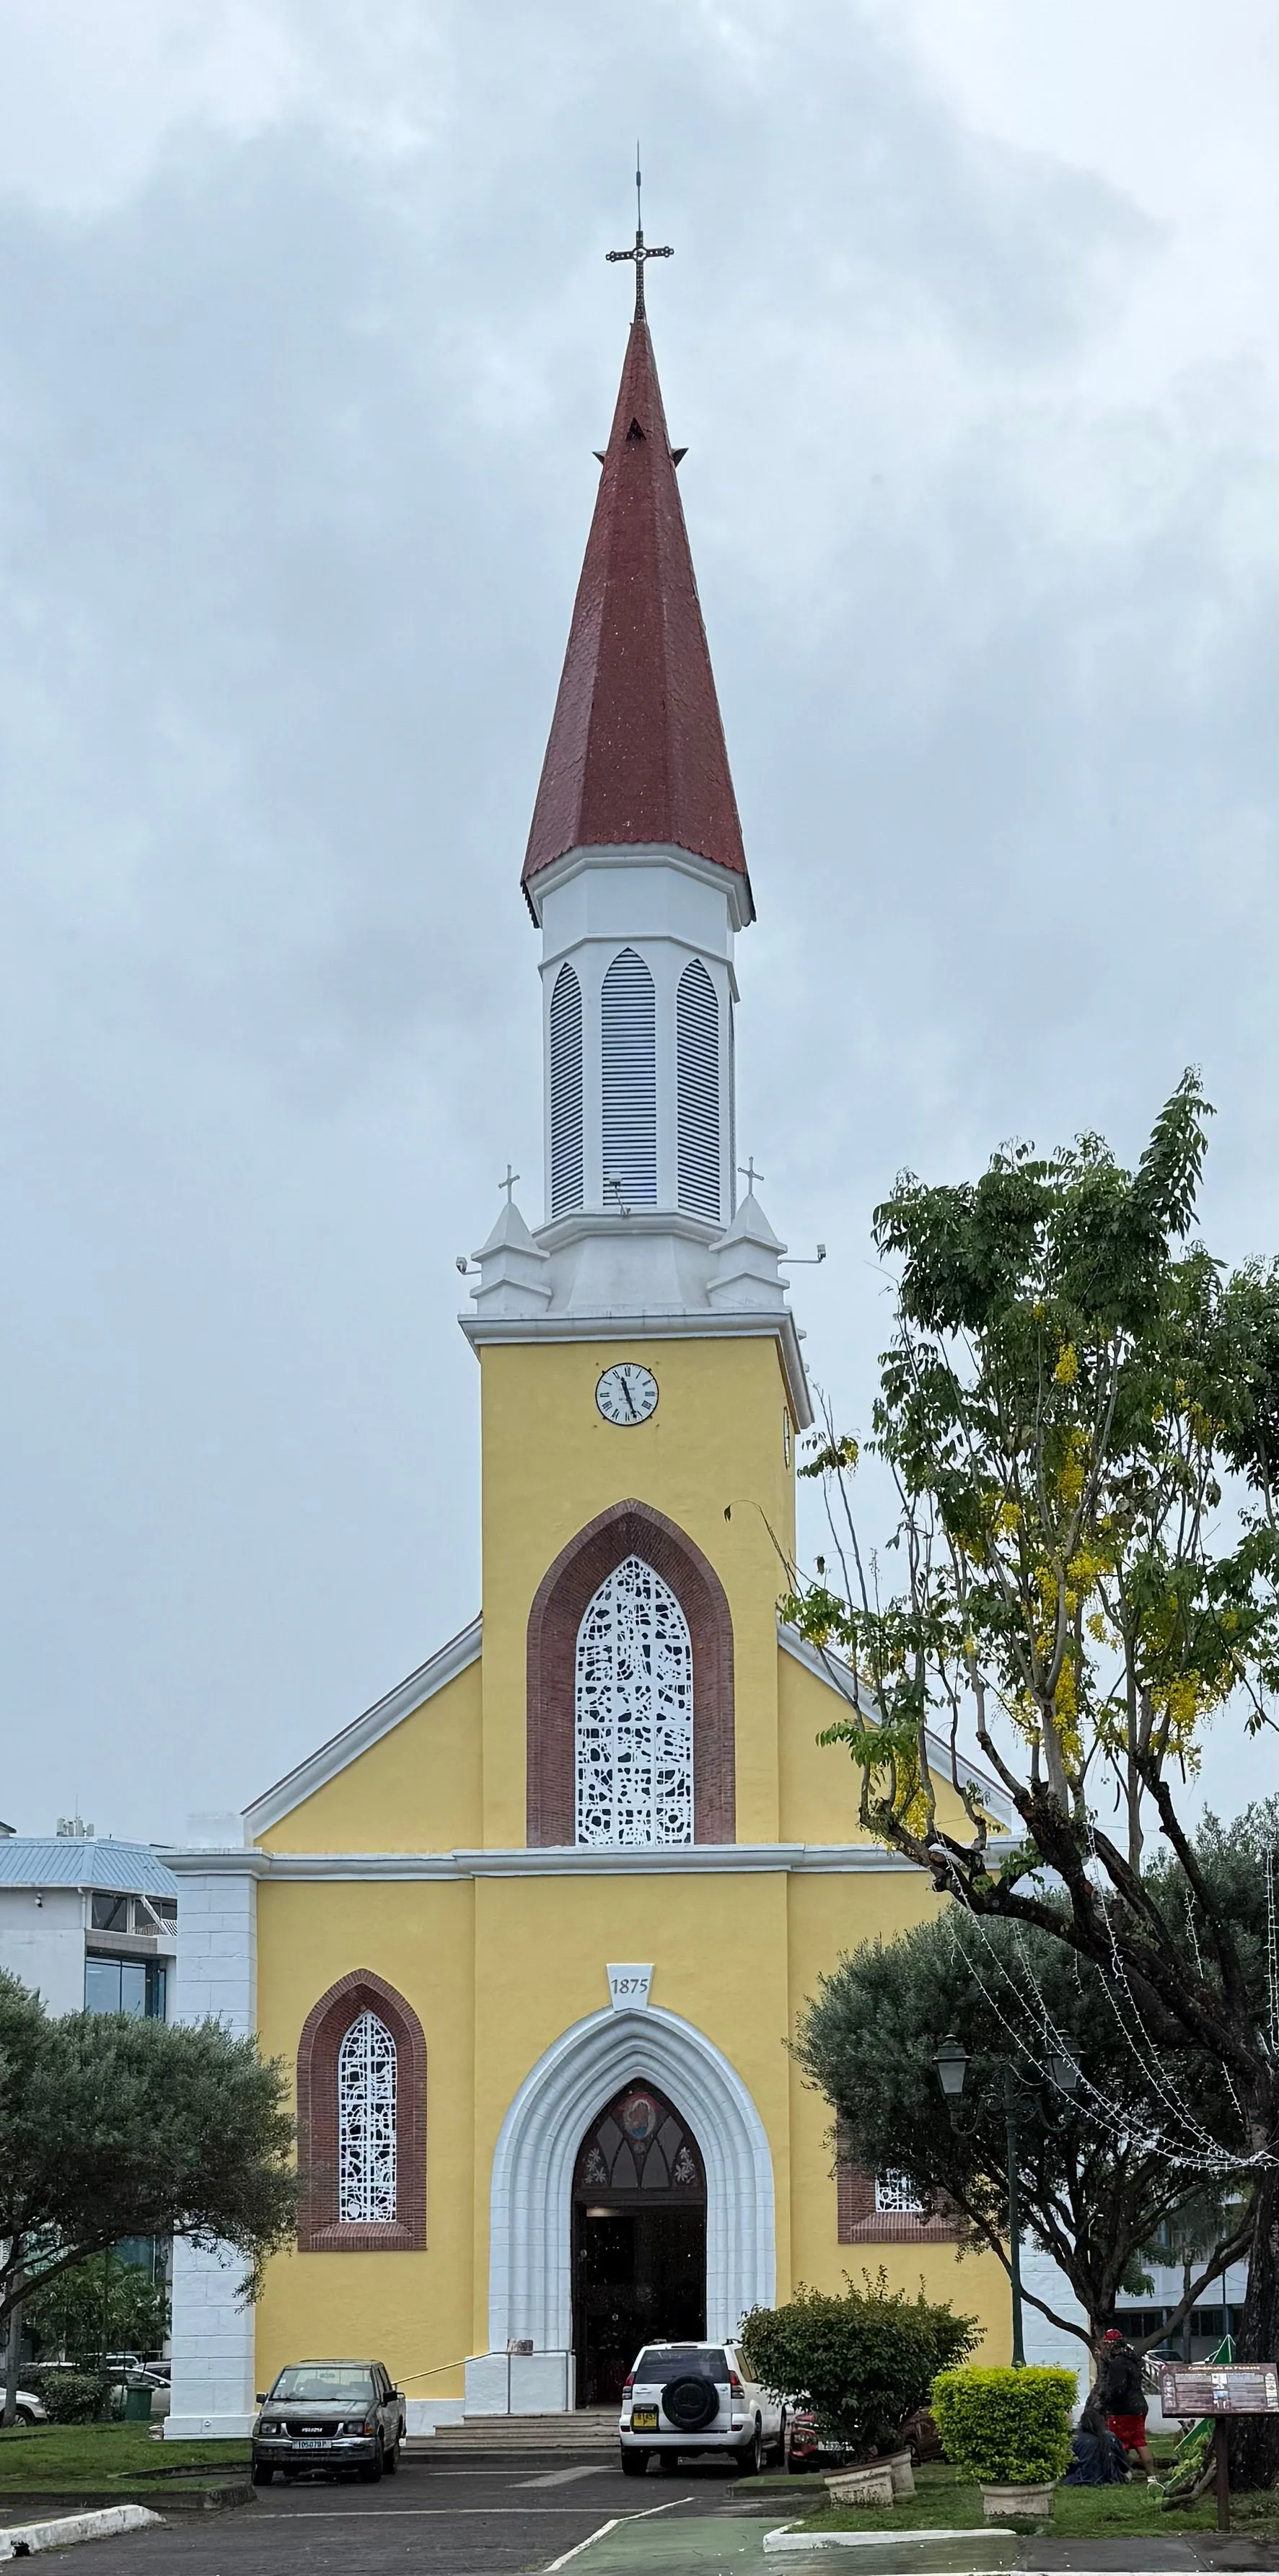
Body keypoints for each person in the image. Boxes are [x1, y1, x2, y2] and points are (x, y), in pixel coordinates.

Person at [1095, 2327, 1157, 2479]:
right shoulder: (1133, 2359)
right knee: (1140, 2442)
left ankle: (1121, 2474)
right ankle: (1152, 2477)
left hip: (1123, 2410)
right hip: (1139, 2407)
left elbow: (1118, 2389)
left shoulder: (1117, 2363)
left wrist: (1106, 2402)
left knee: (1119, 2444)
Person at [1063, 2391, 1130, 2486]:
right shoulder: (1111, 2437)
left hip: (1080, 2478)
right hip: (1109, 2478)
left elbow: (1068, 2465)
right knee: (1128, 2474)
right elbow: (1124, 2462)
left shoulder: (1076, 2438)